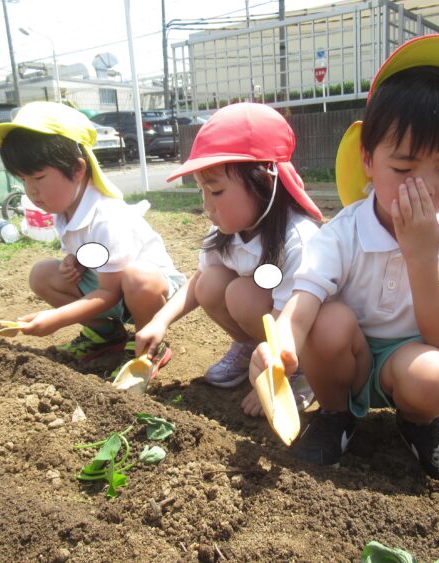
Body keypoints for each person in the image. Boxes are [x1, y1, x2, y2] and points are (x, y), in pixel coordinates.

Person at [249, 34, 439, 496]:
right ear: (368, 159)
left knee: (433, 377)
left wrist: (422, 258)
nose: (424, 186)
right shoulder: (342, 232)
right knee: (327, 322)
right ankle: (336, 414)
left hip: (415, 358)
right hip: (350, 360)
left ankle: (419, 425)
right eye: (403, 168)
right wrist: (278, 348)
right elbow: (303, 303)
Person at [135, 102, 322, 416]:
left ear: (265, 181)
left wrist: (273, 372)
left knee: (240, 294)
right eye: (202, 191)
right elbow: (198, 281)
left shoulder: (297, 238)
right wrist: (159, 321)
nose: (207, 206)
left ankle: (297, 372)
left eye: (217, 191)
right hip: (267, 316)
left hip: (303, 335)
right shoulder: (226, 231)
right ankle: (250, 348)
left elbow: (292, 318)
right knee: (209, 282)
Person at [0, 102, 186, 364]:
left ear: (78, 169)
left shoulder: (106, 216)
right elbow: (94, 254)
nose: (31, 190)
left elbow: (110, 293)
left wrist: (57, 318)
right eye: (23, 179)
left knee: (138, 278)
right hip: (111, 286)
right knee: (42, 274)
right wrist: (74, 260)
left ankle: (148, 345)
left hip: (151, 293)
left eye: (39, 177)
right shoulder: (64, 209)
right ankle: (105, 334)